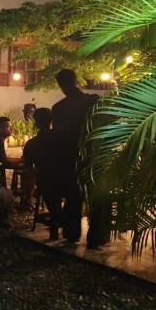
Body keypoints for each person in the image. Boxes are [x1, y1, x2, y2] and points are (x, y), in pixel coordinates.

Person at [51, 69, 99, 243]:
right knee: (95, 194)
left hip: (69, 155)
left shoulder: (59, 108)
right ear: (76, 81)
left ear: (61, 85)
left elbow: (58, 136)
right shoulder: (93, 101)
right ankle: (97, 236)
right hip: (93, 153)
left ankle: (72, 233)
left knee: (73, 195)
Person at [22, 108, 61, 238]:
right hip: (67, 179)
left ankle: (55, 223)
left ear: (36, 123)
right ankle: (62, 220)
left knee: (50, 193)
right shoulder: (62, 139)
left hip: (46, 182)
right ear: (51, 121)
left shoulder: (32, 143)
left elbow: (28, 168)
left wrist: (28, 194)